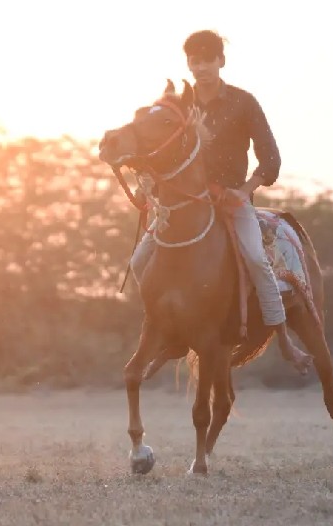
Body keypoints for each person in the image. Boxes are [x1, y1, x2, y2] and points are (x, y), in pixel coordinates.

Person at [130, 29, 312, 374]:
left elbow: (270, 158)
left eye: (207, 60)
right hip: (184, 203)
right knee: (141, 260)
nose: (201, 67)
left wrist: (245, 191)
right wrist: (148, 183)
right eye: (194, 61)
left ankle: (285, 339)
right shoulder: (180, 106)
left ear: (221, 61)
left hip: (231, 200)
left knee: (257, 259)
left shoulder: (243, 102)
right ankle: (170, 335)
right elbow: (159, 151)